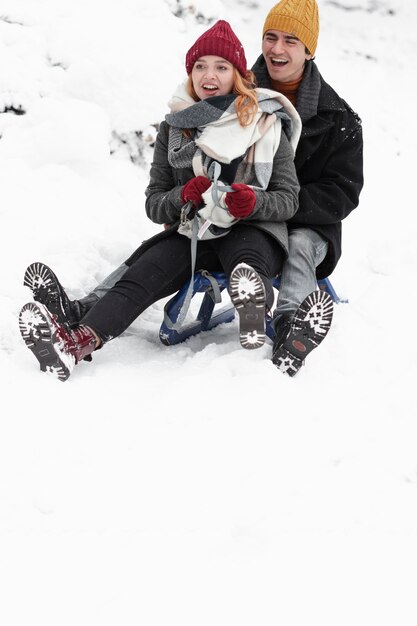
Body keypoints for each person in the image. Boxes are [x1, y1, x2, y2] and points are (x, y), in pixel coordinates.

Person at [24, 0, 364, 377]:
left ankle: (287, 325)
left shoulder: (298, 118)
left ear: (308, 49)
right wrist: (188, 203)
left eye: (291, 41)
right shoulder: (212, 105)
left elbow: (338, 191)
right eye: (270, 37)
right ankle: (80, 327)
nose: (277, 49)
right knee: (152, 259)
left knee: (297, 245)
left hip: (290, 219)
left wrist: (256, 206)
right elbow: (159, 196)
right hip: (205, 224)